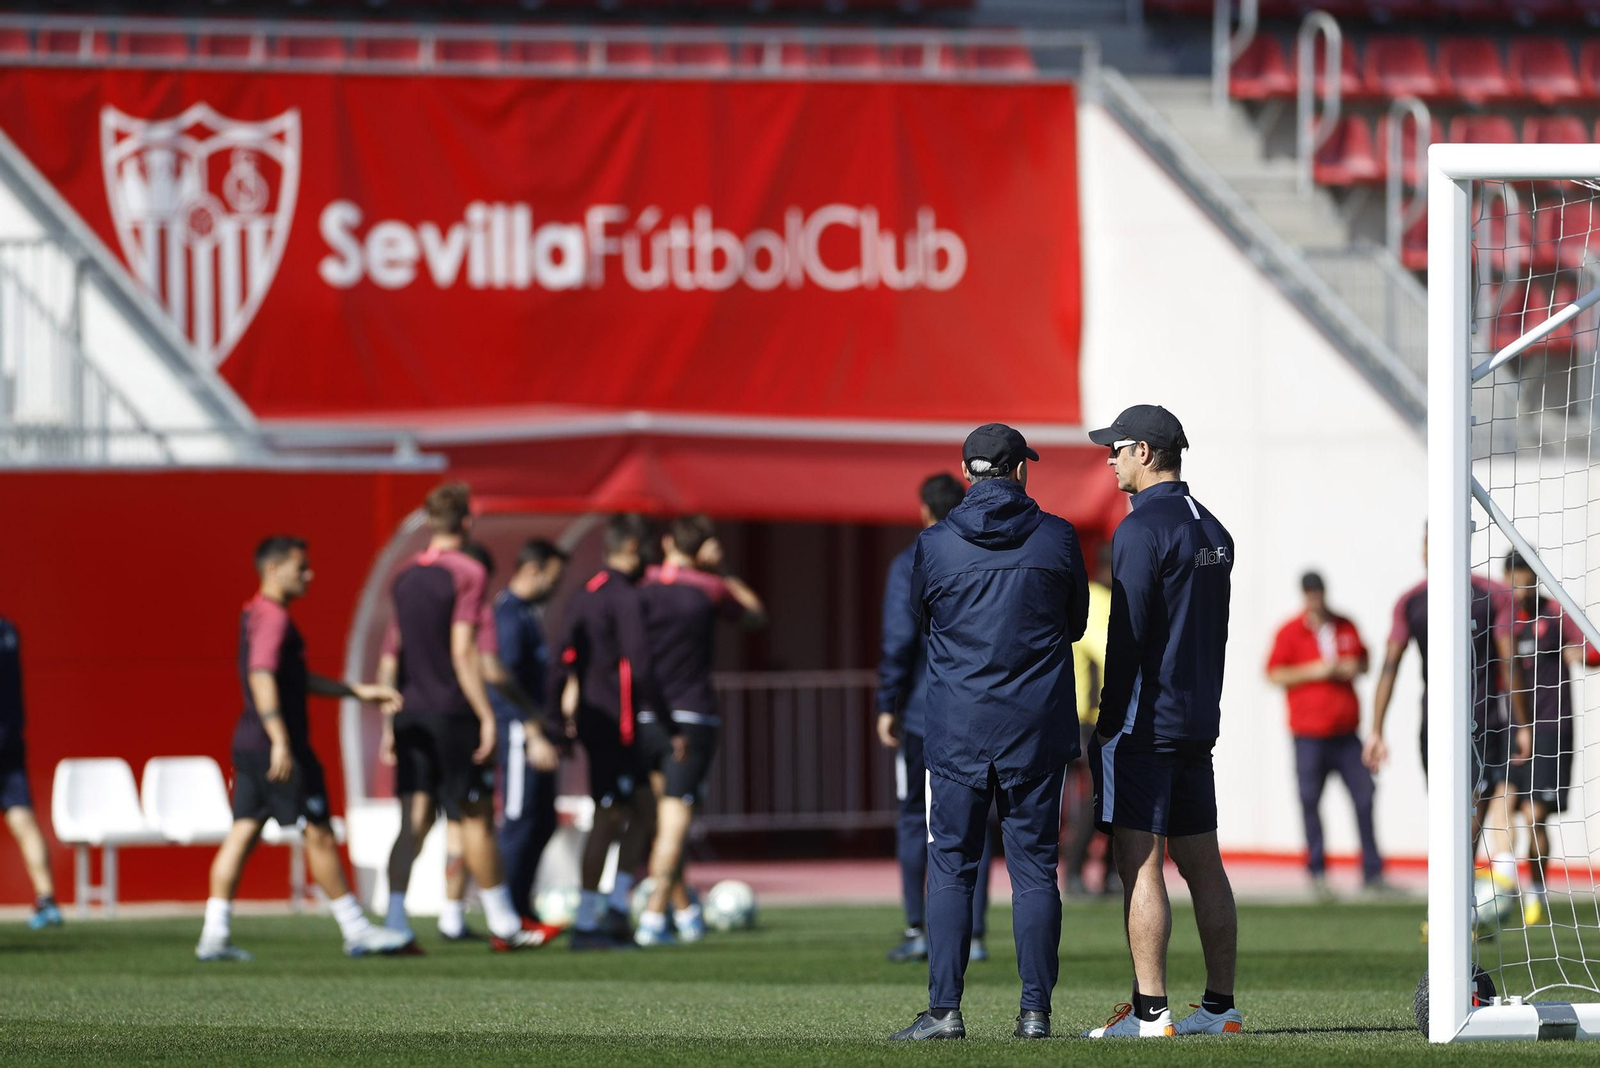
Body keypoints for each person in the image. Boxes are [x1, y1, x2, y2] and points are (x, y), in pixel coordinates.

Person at [888, 423, 1088, 1043]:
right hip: (1035, 727)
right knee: (1035, 870)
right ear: (1020, 470)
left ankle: (944, 1010)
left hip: (956, 729)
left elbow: (923, 621)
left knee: (950, 866)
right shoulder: (1057, 537)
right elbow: (1076, 623)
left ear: (970, 472)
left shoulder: (935, 544)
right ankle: (1035, 1013)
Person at [1082, 404, 1241, 1039]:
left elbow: (1129, 632)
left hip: (1145, 722)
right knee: (1204, 862)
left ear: (1145, 452)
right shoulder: (1216, 527)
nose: (1110, 459)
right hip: (1198, 718)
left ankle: (1151, 1013)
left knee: (1139, 863)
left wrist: (1108, 716)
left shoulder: (1140, 528)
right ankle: (1220, 1007)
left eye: (1116, 449)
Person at [197, 536, 413, 961]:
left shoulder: (256, 612)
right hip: (278, 746)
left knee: (242, 833)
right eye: (302, 568)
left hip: (250, 743)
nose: (310, 575)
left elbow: (291, 678)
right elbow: (261, 675)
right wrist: (280, 740)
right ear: (274, 569)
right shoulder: (274, 618)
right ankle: (356, 930)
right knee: (318, 832)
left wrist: (356, 692)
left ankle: (214, 934)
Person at [379, 483, 554, 951]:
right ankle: (504, 923)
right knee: (476, 818)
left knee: (412, 823)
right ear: (467, 522)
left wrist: (386, 721)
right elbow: (464, 651)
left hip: (409, 713)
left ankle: (395, 923)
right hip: (453, 713)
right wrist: (486, 715)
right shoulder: (469, 571)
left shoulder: (403, 575)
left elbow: (390, 655)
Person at [876, 474, 998, 965]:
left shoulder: (913, 559)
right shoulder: (985, 552)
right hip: (978, 711)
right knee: (977, 825)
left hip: (924, 715)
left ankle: (917, 929)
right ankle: (973, 933)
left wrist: (887, 703)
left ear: (925, 510)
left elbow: (898, 641)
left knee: (915, 820)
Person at [634, 516, 766, 946]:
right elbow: (754, 615)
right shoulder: (707, 589)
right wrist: (723, 570)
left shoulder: (642, 584)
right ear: (703, 548)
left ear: (667, 541)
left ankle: (686, 912)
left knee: (664, 822)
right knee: (674, 825)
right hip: (691, 717)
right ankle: (653, 920)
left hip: (647, 715)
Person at [1363, 529, 1527, 872]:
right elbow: (1390, 665)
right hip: (1442, 724)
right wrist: (1376, 729)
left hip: (1478, 720)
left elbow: (1508, 660)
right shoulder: (1412, 601)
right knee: (1457, 814)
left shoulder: (1491, 595)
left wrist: (1522, 724)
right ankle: (1459, 898)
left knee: (1465, 811)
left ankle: (1458, 899)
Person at [554, 513, 668, 951]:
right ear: (633, 547)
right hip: (614, 726)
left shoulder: (585, 593)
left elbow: (565, 659)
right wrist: (667, 720)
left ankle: (616, 908)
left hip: (601, 722)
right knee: (608, 817)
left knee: (644, 812)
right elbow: (639, 664)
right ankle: (586, 922)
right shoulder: (621, 596)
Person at [1265, 572, 1383, 895]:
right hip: (1309, 735)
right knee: (1309, 800)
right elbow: (1274, 673)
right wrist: (1316, 671)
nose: (1315, 599)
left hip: (1346, 734)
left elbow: (1364, 661)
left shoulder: (1345, 625)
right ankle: (1317, 872)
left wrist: (1351, 666)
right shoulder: (1290, 632)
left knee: (1364, 795)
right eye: (1310, 594)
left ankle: (1373, 871)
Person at [1503, 550, 1598, 926]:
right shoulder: (1503, 617)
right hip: (1507, 727)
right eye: (1514, 577)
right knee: (1504, 805)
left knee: (1535, 815)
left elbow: (1592, 650)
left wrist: (1581, 656)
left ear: (1535, 578)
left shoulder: (1555, 614)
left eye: (1526, 577)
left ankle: (1535, 893)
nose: (1520, 586)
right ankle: (1503, 883)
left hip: (1550, 728)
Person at [493, 539, 569, 925]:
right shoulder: (507, 615)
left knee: (542, 822)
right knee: (520, 820)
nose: (557, 586)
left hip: (537, 732)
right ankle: (505, 914)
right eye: (554, 577)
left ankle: (520, 906)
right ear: (533, 569)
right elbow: (501, 678)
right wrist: (531, 729)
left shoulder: (527, 615)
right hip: (520, 735)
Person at [0, 616, 61, 930]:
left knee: (23, 821)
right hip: (10, 739)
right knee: (22, 819)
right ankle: (47, 899)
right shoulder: (9, 631)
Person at [1063, 553, 1114, 898]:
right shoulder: (1098, 599)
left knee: (1114, 799)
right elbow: (1107, 651)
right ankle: (1076, 871)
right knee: (1098, 798)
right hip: (1090, 719)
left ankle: (1110, 873)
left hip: (1098, 717)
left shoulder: (1099, 597)